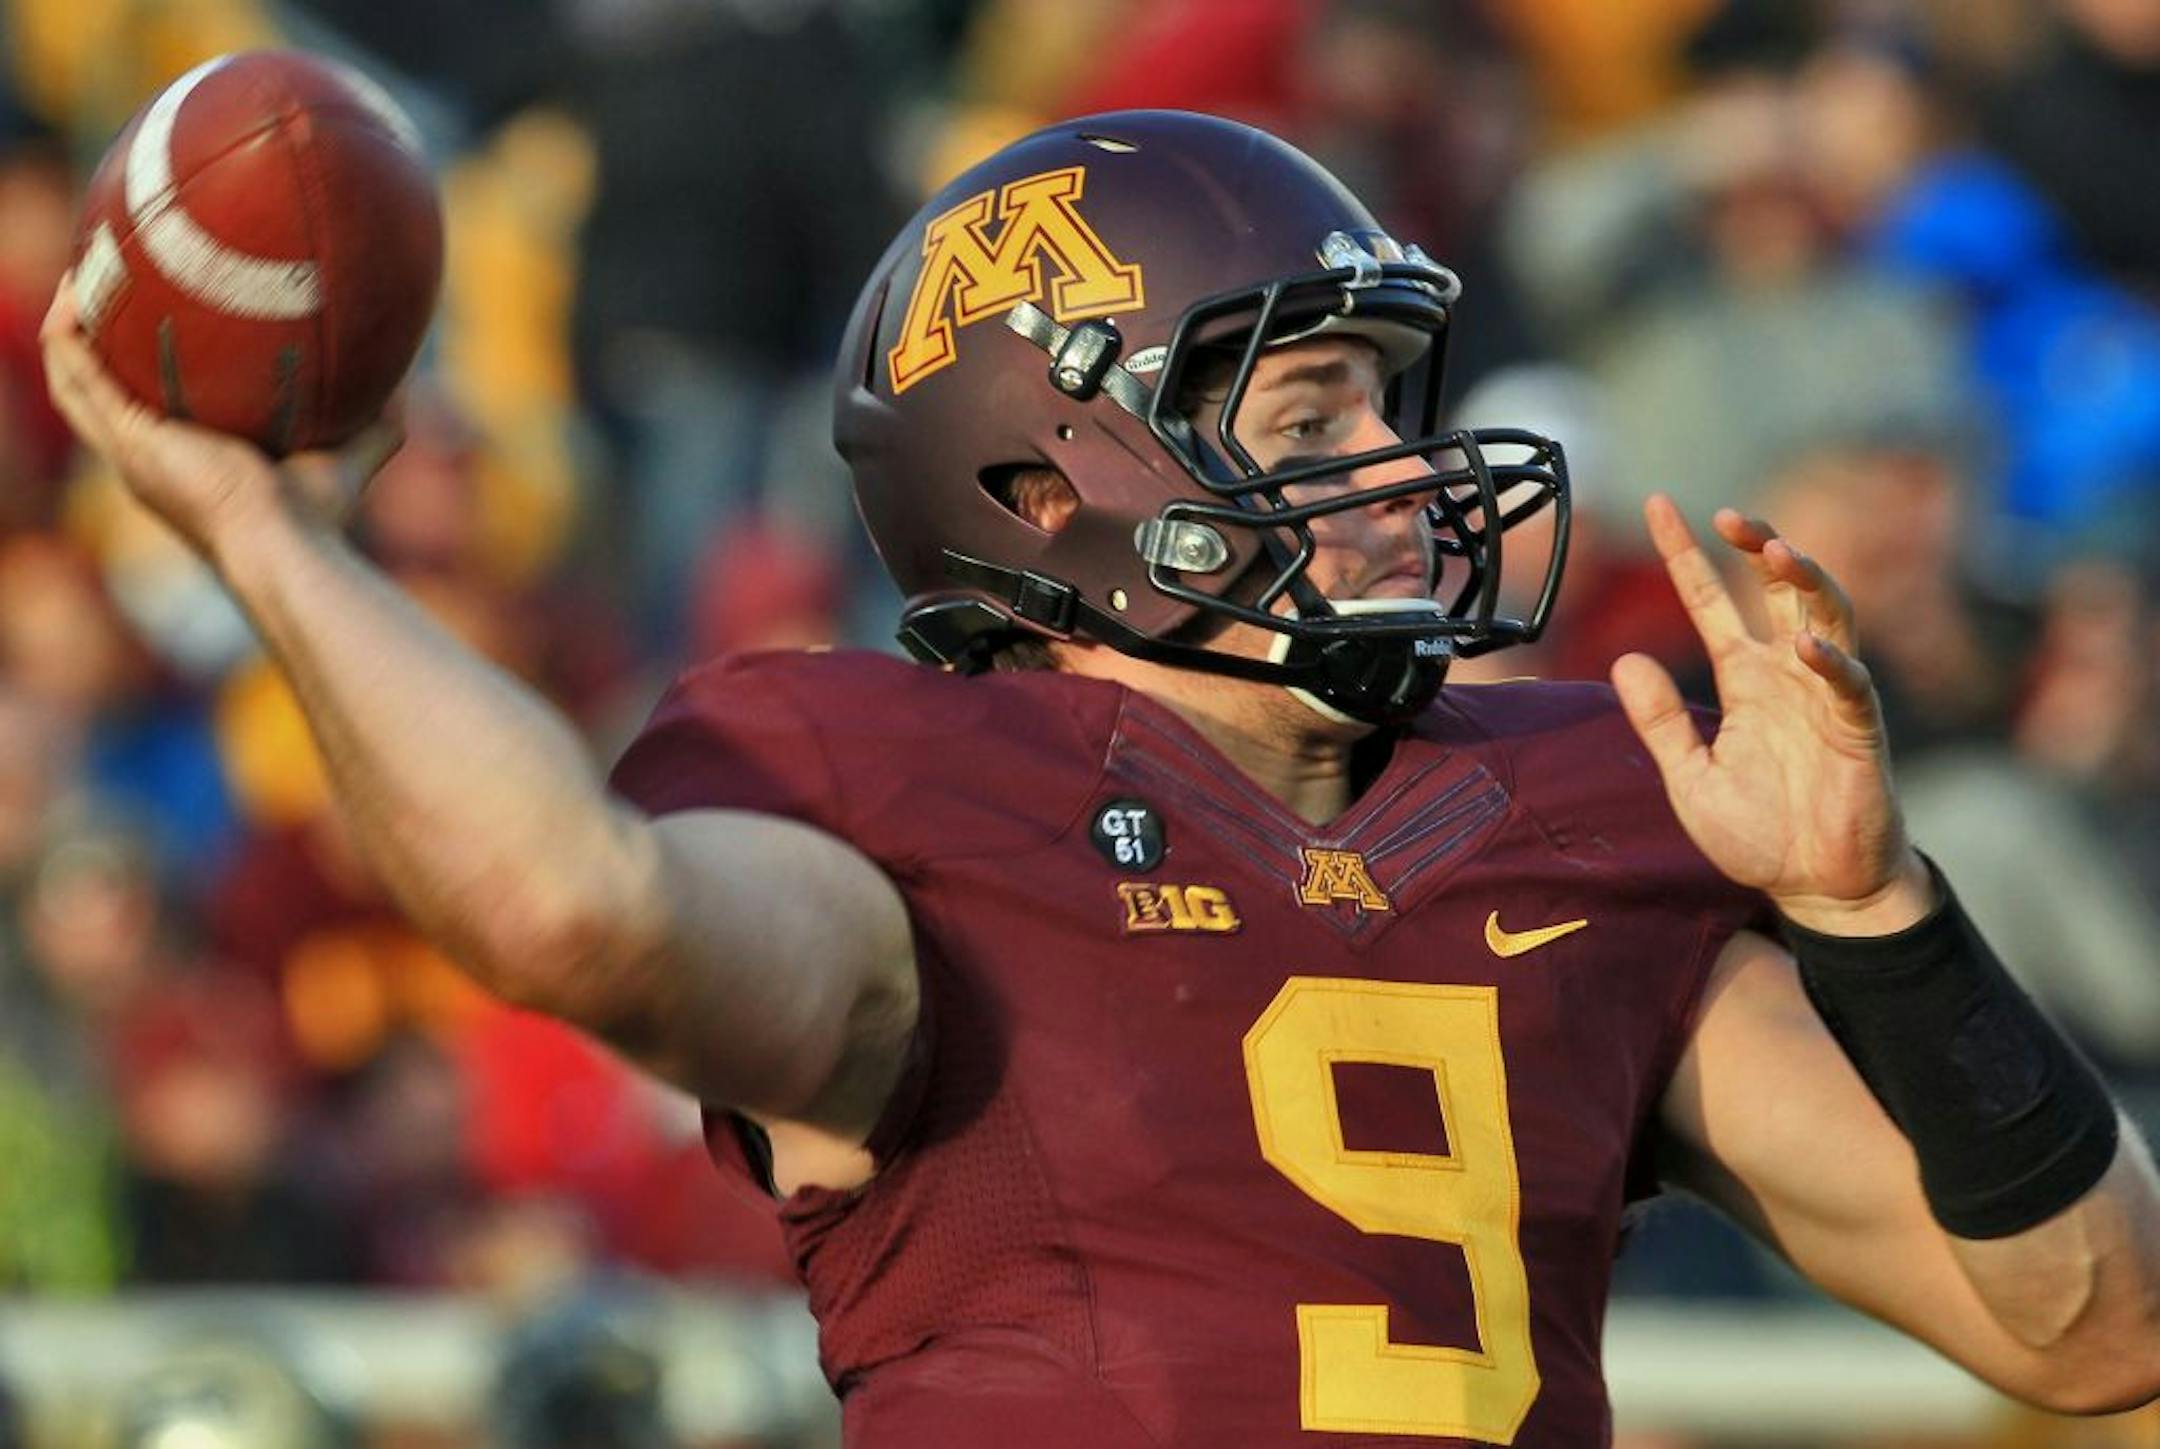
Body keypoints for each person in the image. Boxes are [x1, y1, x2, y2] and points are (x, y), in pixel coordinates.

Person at [40, 109, 2160, 1446]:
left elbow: (2088, 1330)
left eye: (1378, 401)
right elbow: (568, 909)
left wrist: (1885, 919)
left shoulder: (1587, 805)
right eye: (1308, 407)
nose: (1389, 472)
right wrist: (265, 538)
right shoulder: (900, 786)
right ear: (1060, 476)